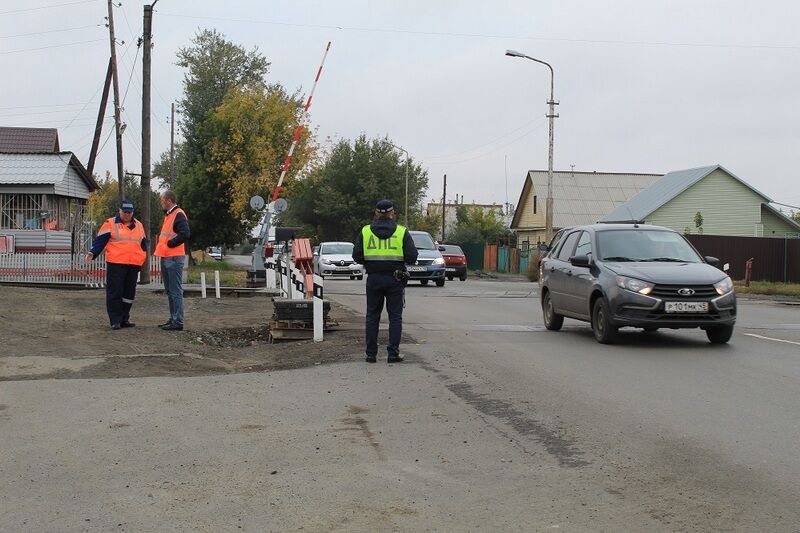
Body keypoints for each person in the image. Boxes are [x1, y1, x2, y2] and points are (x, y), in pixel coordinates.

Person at [353, 199, 418, 363]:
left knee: (372, 316)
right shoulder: (402, 232)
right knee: (395, 317)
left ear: (376, 213)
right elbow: (412, 256)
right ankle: (393, 354)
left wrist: (371, 263)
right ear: (392, 213)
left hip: (373, 278)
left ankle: (371, 354)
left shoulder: (366, 231)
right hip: (395, 279)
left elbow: (356, 256)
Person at [85, 200, 147, 330]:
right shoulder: (110, 223)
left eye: (129, 212)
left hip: (133, 265)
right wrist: (92, 252)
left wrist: (142, 258)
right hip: (116, 264)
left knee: (129, 294)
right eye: (125, 212)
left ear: (132, 212)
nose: (127, 214)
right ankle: (115, 320)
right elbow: (100, 241)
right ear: (120, 211)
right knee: (115, 292)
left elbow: (143, 245)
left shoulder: (139, 225)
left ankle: (125, 318)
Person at [153, 190, 190, 331]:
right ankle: (173, 318)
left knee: (175, 290)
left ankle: (177, 321)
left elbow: (185, 233)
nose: (161, 203)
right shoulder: (170, 215)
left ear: (168, 200)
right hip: (168, 256)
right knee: (170, 290)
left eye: (162, 200)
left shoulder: (178, 214)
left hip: (173, 257)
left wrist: (170, 244)